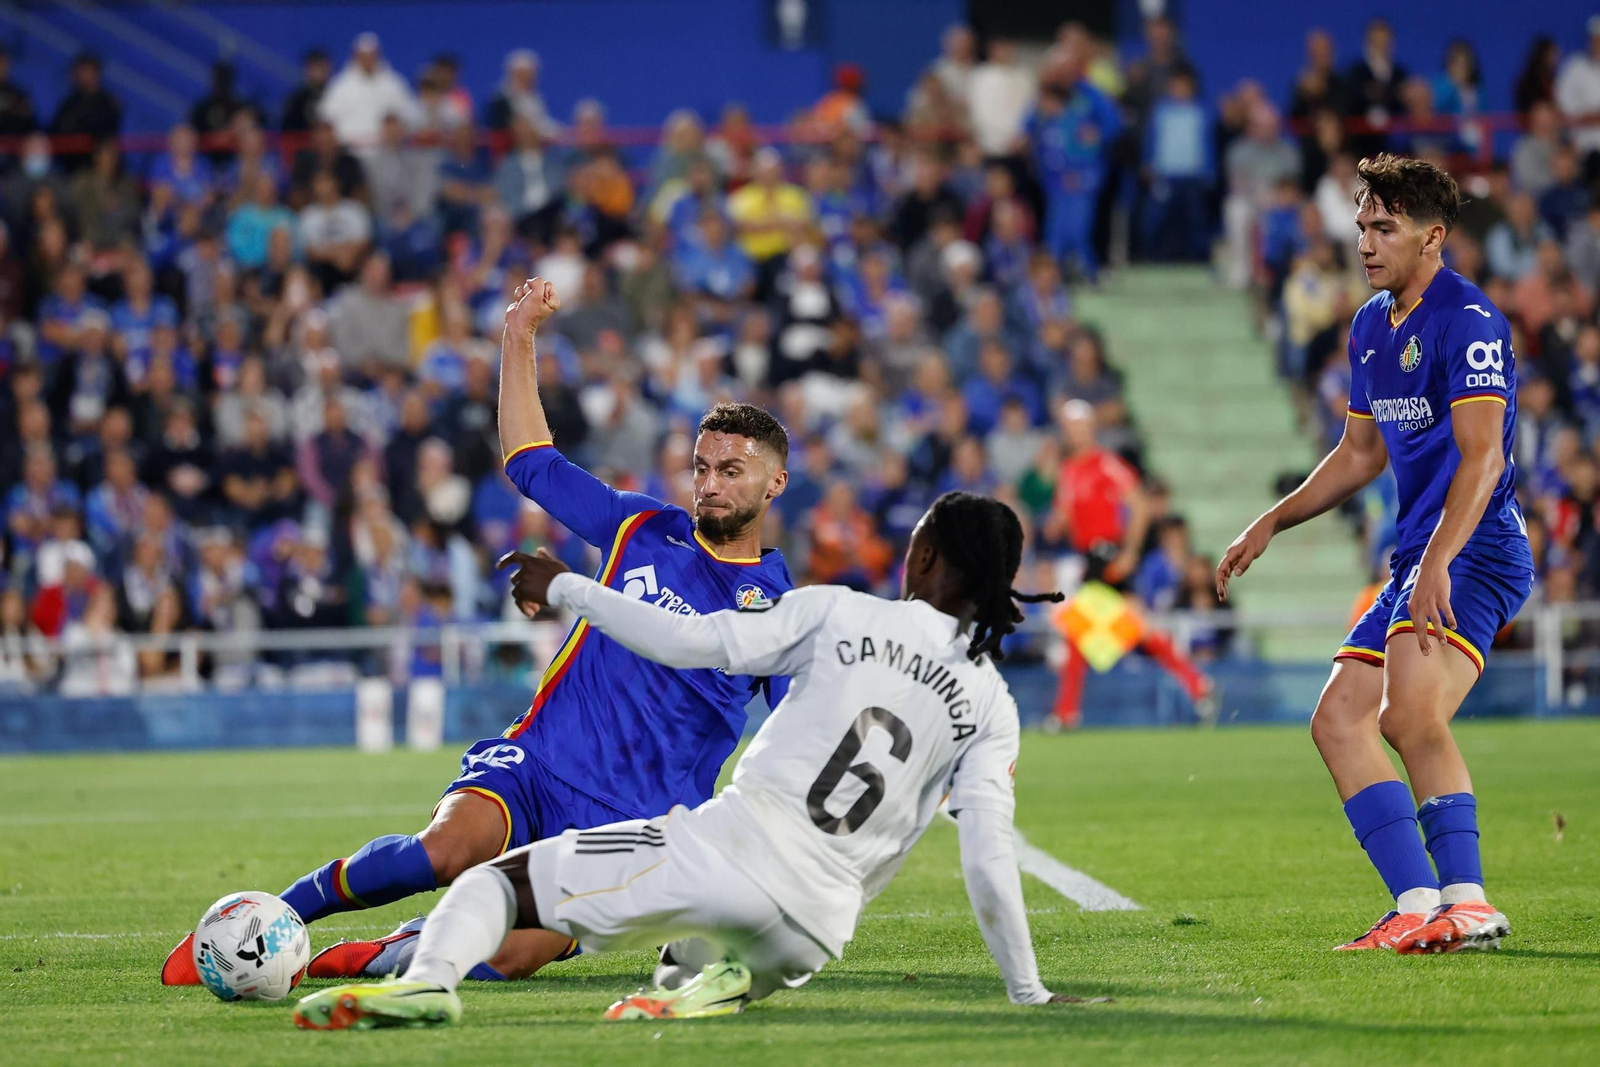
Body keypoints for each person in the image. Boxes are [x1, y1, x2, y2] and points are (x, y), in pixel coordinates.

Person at [162, 278, 796, 987]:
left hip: (631, 829)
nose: (709, 483)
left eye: (731, 471)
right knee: (443, 850)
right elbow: (532, 462)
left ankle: (373, 954)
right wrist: (518, 335)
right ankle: (263, 922)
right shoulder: (642, 527)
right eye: (703, 467)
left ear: (774, 484)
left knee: (507, 957)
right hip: (539, 762)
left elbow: (796, 737)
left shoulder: (779, 611)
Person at [292, 492, 1075, 1029]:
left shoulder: (841, 609)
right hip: (817, 930)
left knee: (492, 883)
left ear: (926, 553)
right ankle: (709, 980)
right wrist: (1028, 991)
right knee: (694, 943)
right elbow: (987, 859)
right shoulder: (993, 705)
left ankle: (429, 984)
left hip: (734, 854)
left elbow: (693, 640)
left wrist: (569, 586)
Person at [1216, 155, 1532, 953]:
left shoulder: (1469, 320)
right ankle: (1419, 901)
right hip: (1421, 554)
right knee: (1338, 720)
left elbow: (1482, 455)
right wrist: (1272, 521)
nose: (1364, 242)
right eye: (1361, 226)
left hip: (1476, 548)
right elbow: (1359, 454)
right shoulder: (1368, 327)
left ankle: (1470, 902)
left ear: (1433, 237)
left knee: (1410, 711)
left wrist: (1435, 561)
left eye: (1383, 227)